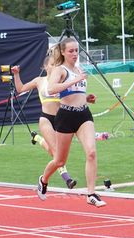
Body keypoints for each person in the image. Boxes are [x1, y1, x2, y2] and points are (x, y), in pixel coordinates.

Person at [39, 38, 106, 207]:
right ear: (62, 52)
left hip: (83, 115)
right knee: (60, 160)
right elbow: (51, 89)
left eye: (77, 50)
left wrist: (87, 98)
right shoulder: (60, 70)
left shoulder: (79, 68)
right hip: (66, 116)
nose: (75, 54)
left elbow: (76, 93)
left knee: (91, 152)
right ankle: (44, 179)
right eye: (71, 51)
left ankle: (91, 193)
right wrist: (74, 80)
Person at [11, 57, 78, 190]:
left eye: (57, 65)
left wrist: (87, 98)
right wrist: (16, 74)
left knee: (59, 155)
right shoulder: (39, 81)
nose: (55, 67)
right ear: (46, 66)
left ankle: (37, 138)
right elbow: (21, 89)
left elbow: (74, 97)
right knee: (56, 153)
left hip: (61, 120)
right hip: (46, 119)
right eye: (52, 64)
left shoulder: (62, 82)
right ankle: (67, 178)